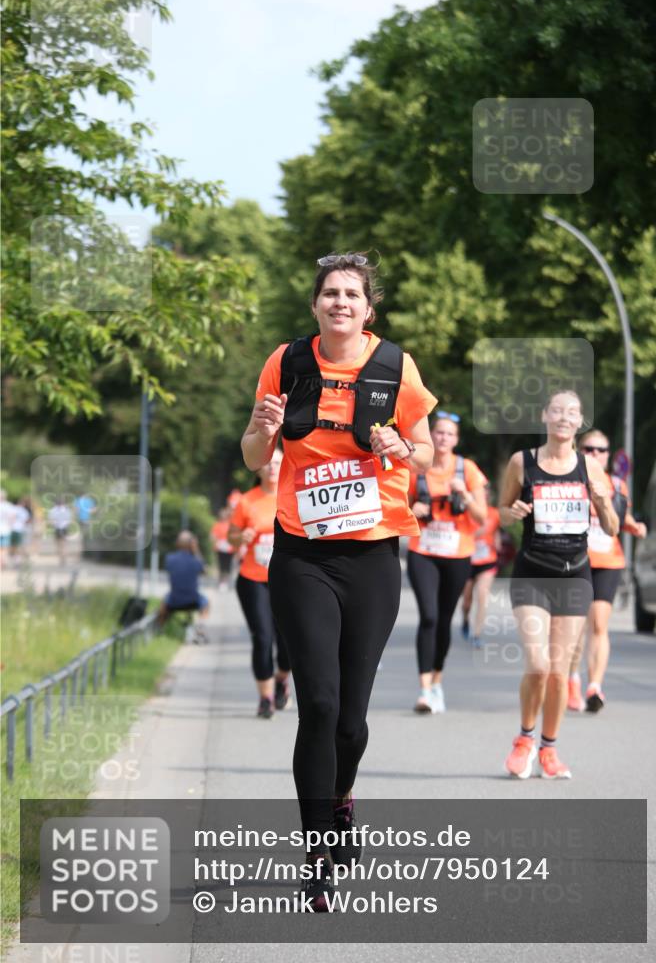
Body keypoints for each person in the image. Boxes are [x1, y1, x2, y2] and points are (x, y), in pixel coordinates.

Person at [241, 251, 436, 910]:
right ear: (315, 304)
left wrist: (403, 450)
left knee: (350, 720)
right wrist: (262, 432)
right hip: (302, 554)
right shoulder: (287, 362)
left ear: (367, 308)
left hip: (373, 557)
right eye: (329, 293)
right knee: (317, 705)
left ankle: (343, 795)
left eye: (351, 293)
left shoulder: (394, 366)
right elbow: (253, 449)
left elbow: (428, 449)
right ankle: (317, 853)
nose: (340, 302)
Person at [499, 391, 619, 781]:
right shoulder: (523, 462)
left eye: (572, 412)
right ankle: (524, 739)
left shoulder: (591, 468)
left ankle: (549, 749)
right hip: (532, 574)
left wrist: (602, 504)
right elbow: (500, 514)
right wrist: (511, 511)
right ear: (544, 416)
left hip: (575, 575)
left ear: (579, 421)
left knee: (557, 673)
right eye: (557, 411)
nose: (563, 418)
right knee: (538, 664)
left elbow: (614, 529)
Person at [407, 411, 487, 712]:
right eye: (438, 432)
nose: (442, 438)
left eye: (449, 434)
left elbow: (481, 518)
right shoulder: (418, 469)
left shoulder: (467, 470)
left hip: (457, 553)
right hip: (423, 551)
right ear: (431, 435)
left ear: (456, 439)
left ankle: (437, 680)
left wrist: (465, 495)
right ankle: (424, 690)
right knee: (428, 616)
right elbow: (399, 507)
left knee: (443, 619)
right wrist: (412, 508)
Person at [566, 430, 647, 713]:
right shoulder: (570, 481)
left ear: (608, 454)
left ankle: (595, 687)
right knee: (576, 627)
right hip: (576, 560)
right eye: (588, 449)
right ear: (580, 451)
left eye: (601, 450)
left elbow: (620, 518)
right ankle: (572, 678)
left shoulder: (617, 485)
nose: (595, 454)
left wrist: (634, 525)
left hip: (609, 562)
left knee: (599, 625)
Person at [227, 448, 292, 719]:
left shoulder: (293, 495)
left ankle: (280, 678)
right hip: (253, 579)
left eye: (278, 462)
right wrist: (241, 538)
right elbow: (231, 537)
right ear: (259, 469)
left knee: (289, 641)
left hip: (289, 580)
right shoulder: (246, 501)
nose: (273, 468)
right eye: (268, 463)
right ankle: (265, 698)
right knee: (262, 638)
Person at [461, 485, 501, 648]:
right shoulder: (466, 513)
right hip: (468, 559)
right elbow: (462, 534)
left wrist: (497, 543)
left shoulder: (494, 513)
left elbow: (495, 531)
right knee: (467, 601)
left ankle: (477, 634)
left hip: (488, 560)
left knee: (482, 596)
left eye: (486, 496)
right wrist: (477, 533)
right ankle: (465, 619)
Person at [158, 531, 210, 634]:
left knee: (163, 602)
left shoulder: (170, 559)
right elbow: (205, 571)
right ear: (191, 544)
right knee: (206, 603)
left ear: (177, 543)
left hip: (174, 601)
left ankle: (160, 629)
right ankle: (201, 626)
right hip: (193, 600)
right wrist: (196, 550)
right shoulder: (196, 560)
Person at [210, 505, 236, 589]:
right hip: (220, 548)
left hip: (229, 548)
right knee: (221, 565)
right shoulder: (217, 525)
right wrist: (216, 542)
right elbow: (213, 535)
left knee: (227, 565)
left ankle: (226, 581)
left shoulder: (230, 524)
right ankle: (221, 581)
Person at [48, 499, 73, 565]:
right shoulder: (67, 510)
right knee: (64, 544)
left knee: (58, 544)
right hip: (65, 528)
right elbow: (69, 520)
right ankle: (63, 556)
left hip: (57, 528)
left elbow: (51, 521)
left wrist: (55, 524)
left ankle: (61, 557)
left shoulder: (53, 510)